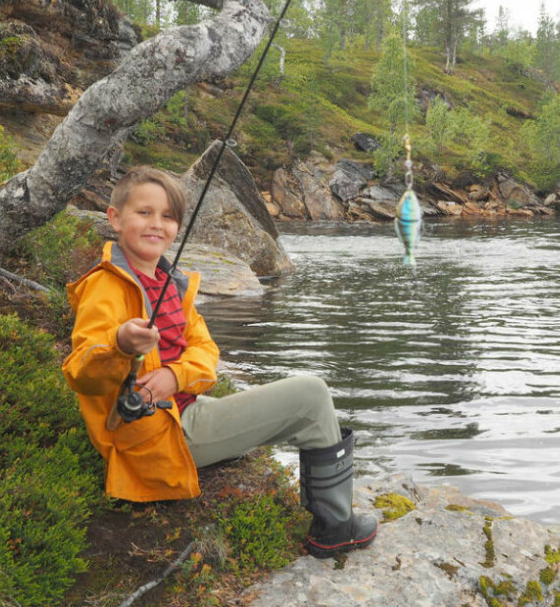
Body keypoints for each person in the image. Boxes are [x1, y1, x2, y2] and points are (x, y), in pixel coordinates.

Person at [62, 165, 376, 558]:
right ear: (114, 217)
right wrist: (120, 343)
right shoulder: (105, 287)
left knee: (306, 405)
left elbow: (206, 352)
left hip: (180, 414)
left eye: (168, 216)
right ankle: (335, 529)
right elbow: (81, 373)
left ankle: (331, 512)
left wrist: (175, 376)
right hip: (156, 441)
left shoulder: (169, 281)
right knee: (312, 396)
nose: (156, 224)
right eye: (144, 212)